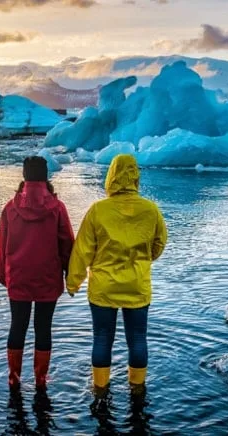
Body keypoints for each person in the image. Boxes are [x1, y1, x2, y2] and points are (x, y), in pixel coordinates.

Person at [66, 154, 167, 391]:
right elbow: (160, 243)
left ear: (110, 176)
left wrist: (73, 282)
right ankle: (137, 389)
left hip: (103, 287)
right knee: (138, 339)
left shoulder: (98, 210)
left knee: (102, 338)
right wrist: (144, 259)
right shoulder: (151, 209)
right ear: (136, 177)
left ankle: (100, 390)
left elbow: (82, 250)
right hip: (136, 285)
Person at [0, 156, 74, 390]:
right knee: (44, 328)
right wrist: (70, 274)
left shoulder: (10, 208)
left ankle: (14, 378)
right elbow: (67, 245)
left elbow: (2, 247)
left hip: (18, 277)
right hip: (47, 279)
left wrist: (4, 276)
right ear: (46, 176)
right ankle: (41, 379)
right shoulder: (57, 208)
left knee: (17, 326)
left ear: (24, 176)